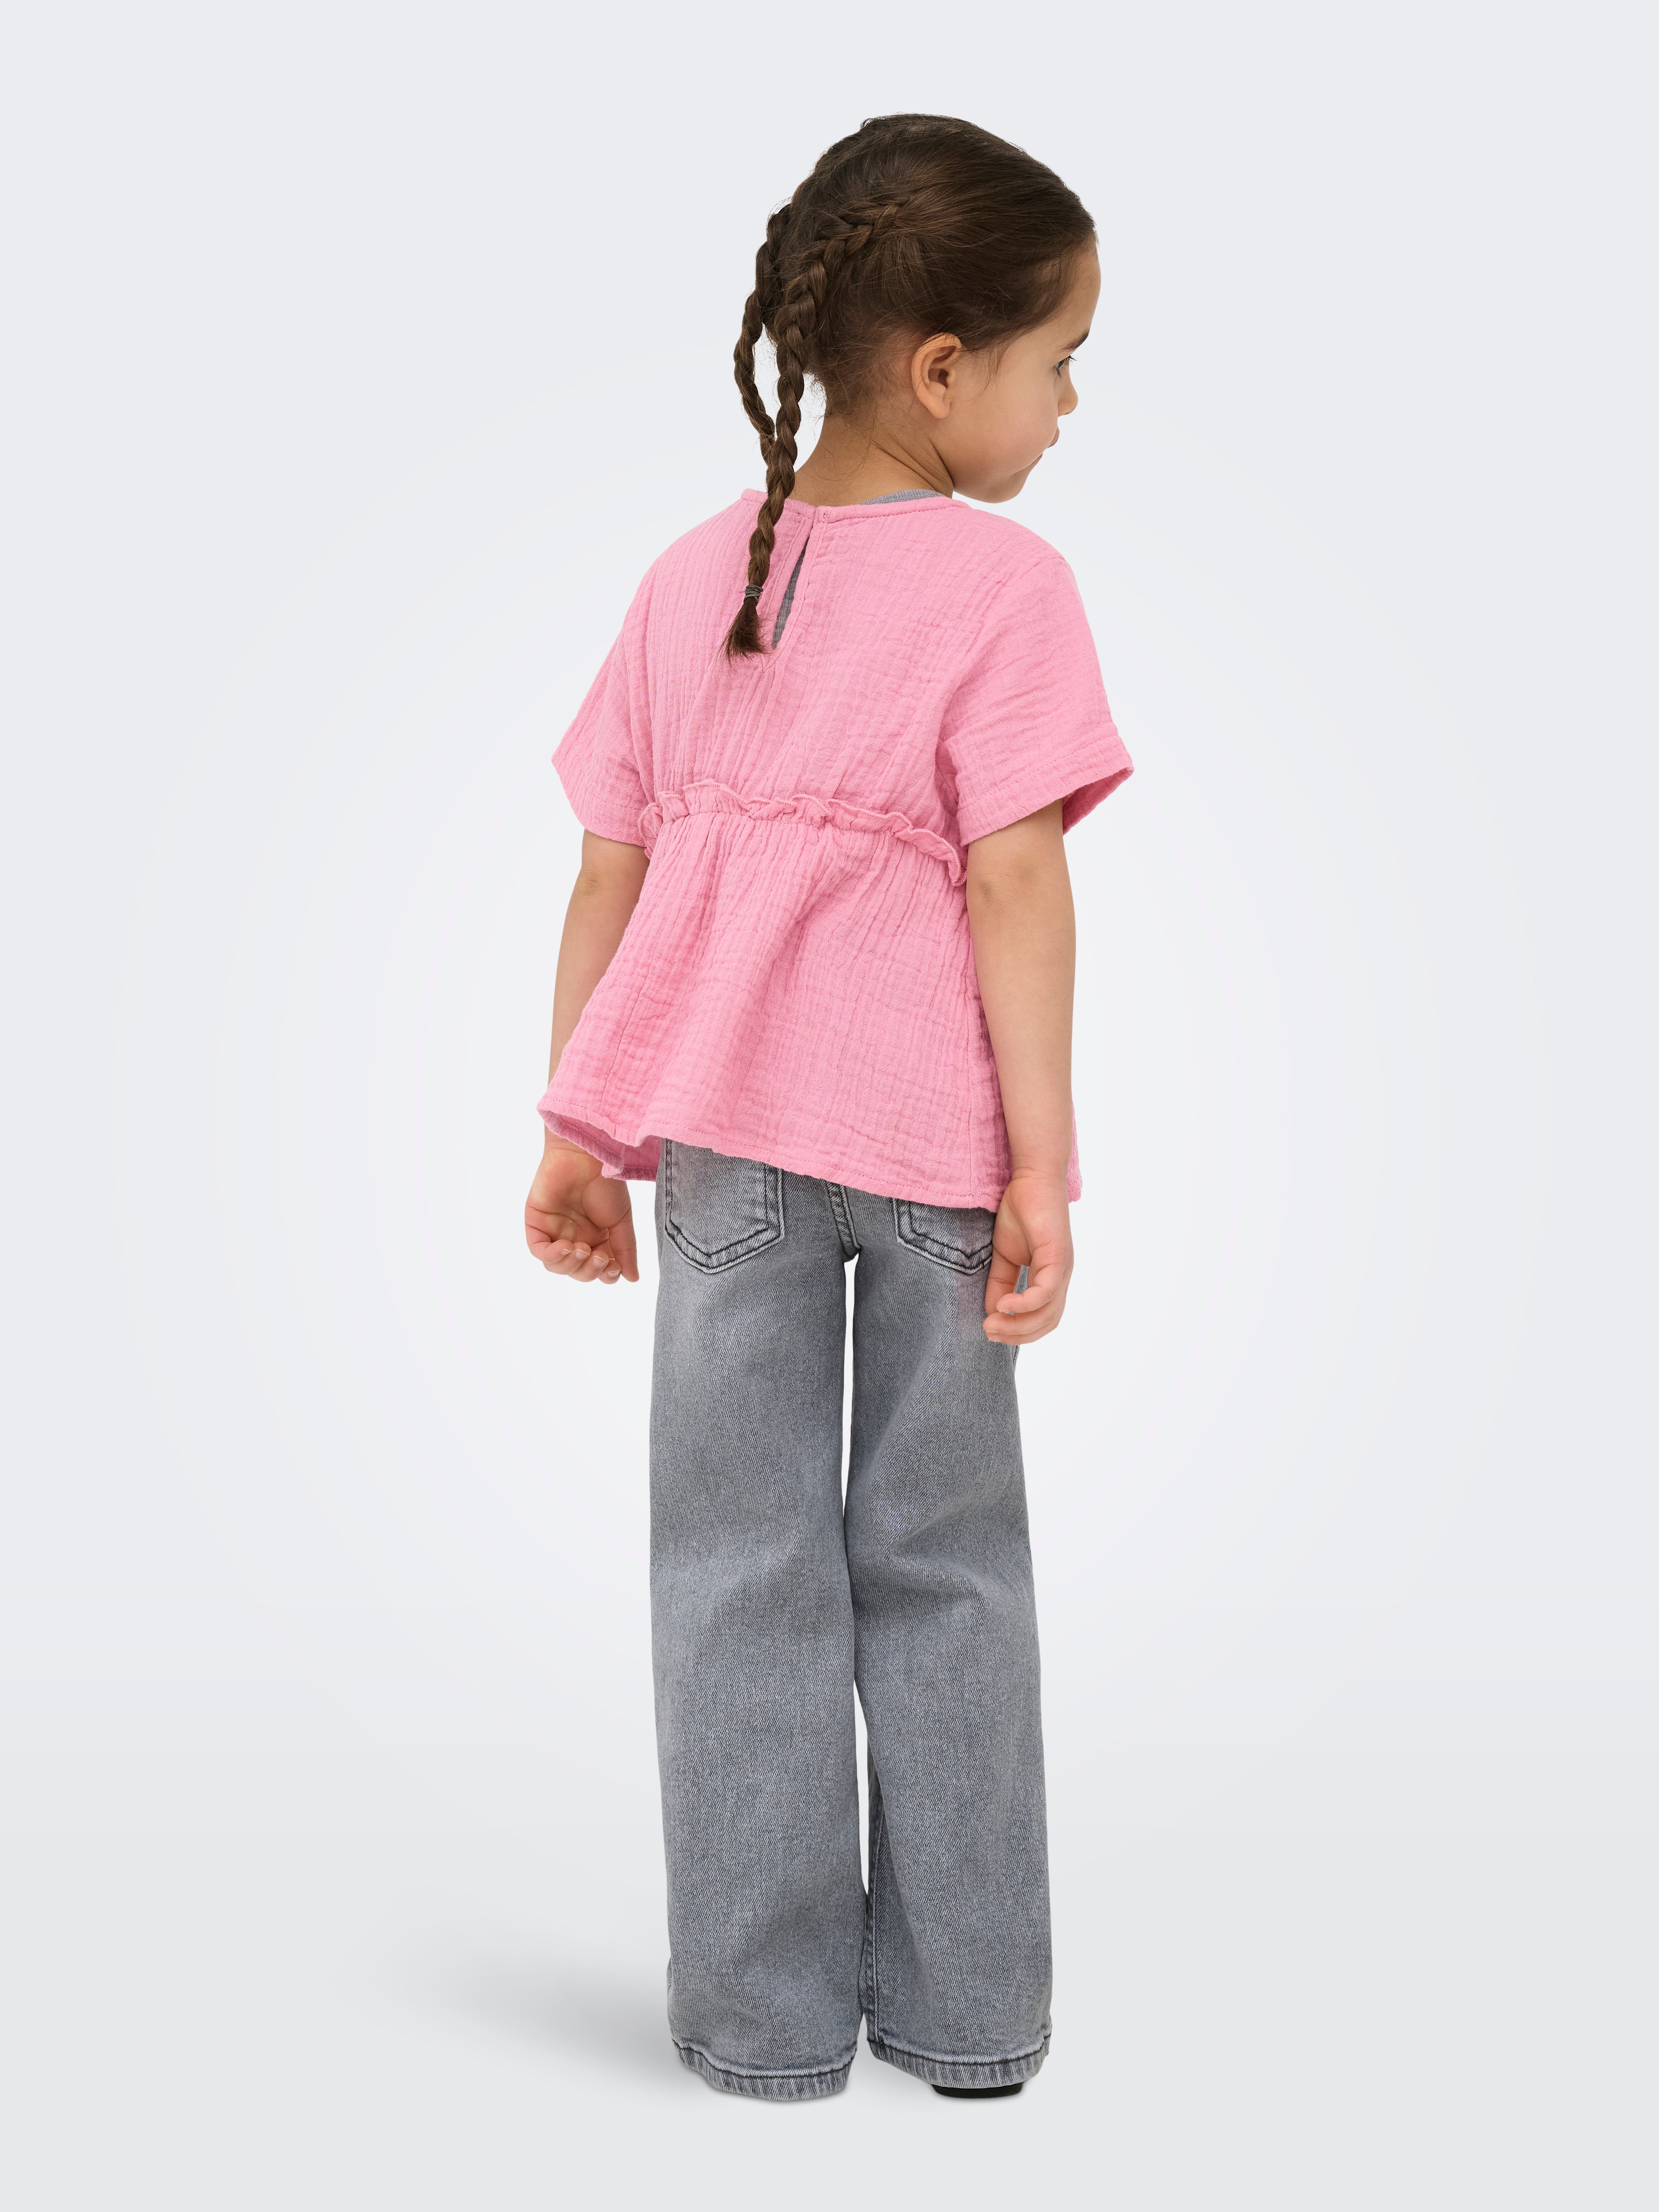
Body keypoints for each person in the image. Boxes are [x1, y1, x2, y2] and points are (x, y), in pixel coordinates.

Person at [524, 113, 1132, 2102]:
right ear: (942, 369)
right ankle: (967, 2012)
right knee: (945, 1559)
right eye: (1058, 363)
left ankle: (764, 2019)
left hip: (722, 1158)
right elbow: (1014, 881)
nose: (1068, 408)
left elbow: (608, 871)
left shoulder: (693, 576)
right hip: (934, 1158)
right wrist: (1037, 1161)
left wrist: (574, 1129)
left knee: (735, 1560)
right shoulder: (1004, 588)